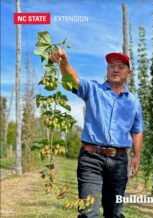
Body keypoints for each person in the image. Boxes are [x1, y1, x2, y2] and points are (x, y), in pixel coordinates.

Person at [50, 50, 144, 218]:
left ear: (128, 73)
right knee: (88, 213)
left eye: (120, 67)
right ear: (107, 69)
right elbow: (73, 79)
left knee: (114, 213)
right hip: (91, 159)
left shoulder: (133, 101)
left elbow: (137, 130)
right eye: (111, 66)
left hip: (119, 162)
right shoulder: (92, 89)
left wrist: (137, 156)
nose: (115, 69)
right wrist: (64, 63)